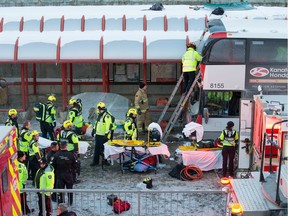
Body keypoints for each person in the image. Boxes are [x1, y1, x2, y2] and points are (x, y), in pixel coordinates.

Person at [90, 102, 116, 166]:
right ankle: (95, 162)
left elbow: (108, 126)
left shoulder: (106, 116)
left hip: (103, 136)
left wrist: (106, 134)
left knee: (104, 149)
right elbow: (97, 124)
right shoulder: (100, 115)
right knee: (97, 149)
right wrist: (94, 130)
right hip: (98, 135)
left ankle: (105, 161)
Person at [52, 141, 77, 206]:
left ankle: (61, 202)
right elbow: (75, 165)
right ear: (66, 146)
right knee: (70, 189)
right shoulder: (71, 155)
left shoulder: (56, 155)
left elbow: (53, 165)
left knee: (60, 190)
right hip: (68, 174)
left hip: (59, 174)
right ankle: (70, 202)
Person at [18, 151, 34, 215]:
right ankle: (25, 210)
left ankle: (26, 209)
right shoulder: (21, 166)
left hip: (20, 185)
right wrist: (24, 182)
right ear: (20, 157)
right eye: (24, 155)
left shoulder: (18, 164)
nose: (25, 156)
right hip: (20, 186)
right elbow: (21, 176)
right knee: (23, 199)